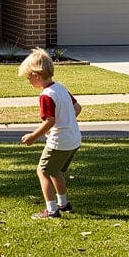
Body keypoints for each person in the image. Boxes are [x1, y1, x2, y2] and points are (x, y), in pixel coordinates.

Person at [18, 47, 82, 219]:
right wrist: (66, 120)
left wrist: (33, 136)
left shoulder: (46, 95)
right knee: (55, 171)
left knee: (43, 171)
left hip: (59, 141)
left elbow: (50, 121)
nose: (28, 81)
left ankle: (51, 210)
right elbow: (77, 108)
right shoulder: (61, 88)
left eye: (28, 77)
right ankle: (63, 204)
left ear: (36, 75)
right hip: (74, 139)